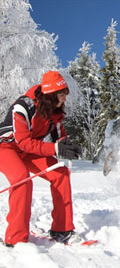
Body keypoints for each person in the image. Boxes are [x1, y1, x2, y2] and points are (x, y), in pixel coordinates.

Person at [0, 71, 82, 247]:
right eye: (61, 95)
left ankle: (62, 229)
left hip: (28, 150)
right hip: (6, 147)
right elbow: (22, 142)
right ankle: (16, 239)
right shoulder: (23, 106)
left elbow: (60, 138)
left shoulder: (55, 112)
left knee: (61, 173)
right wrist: (55, 148)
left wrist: (68, 148)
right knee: (21, 179)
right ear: (51, 95)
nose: (64, 99)